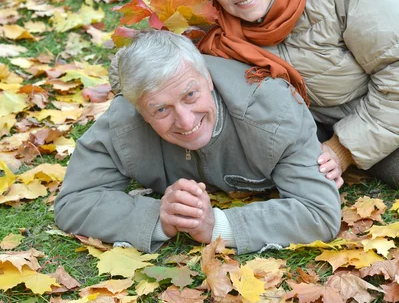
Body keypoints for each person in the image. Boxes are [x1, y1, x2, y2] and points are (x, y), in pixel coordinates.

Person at [54, 30, 341, 254]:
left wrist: (218, 226)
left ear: (208, 78)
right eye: (161, 110)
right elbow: (74, 201)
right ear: (140, 110)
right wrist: (158, 218)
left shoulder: (273, 109)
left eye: (190, 95)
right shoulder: (123, 122)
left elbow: (319, 211)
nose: (187, 122)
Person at [181, 0, 399, 188]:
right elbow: (146, 65)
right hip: (307, 114)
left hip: (368, 104)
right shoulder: (207, 8)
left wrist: (342, 149)